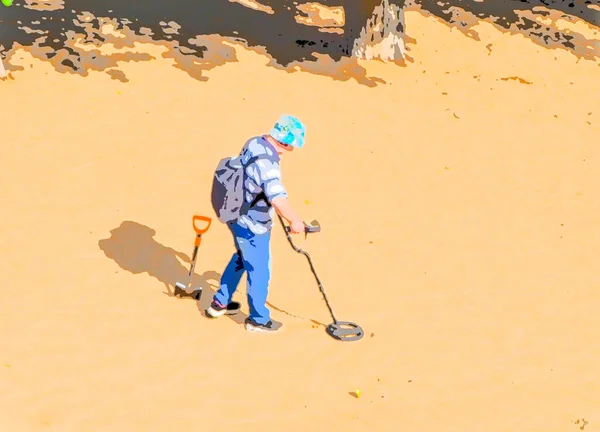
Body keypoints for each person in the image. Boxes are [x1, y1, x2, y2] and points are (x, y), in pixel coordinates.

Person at [206, 115, 307, 333]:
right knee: (260, 271)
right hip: (252, 223)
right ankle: (258, 319)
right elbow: (278, 199)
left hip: (235, 214)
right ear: (285, 142)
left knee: (242, 257)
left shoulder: (254, 142)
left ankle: (219, 303)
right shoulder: (268, 165)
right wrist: (295, 222)